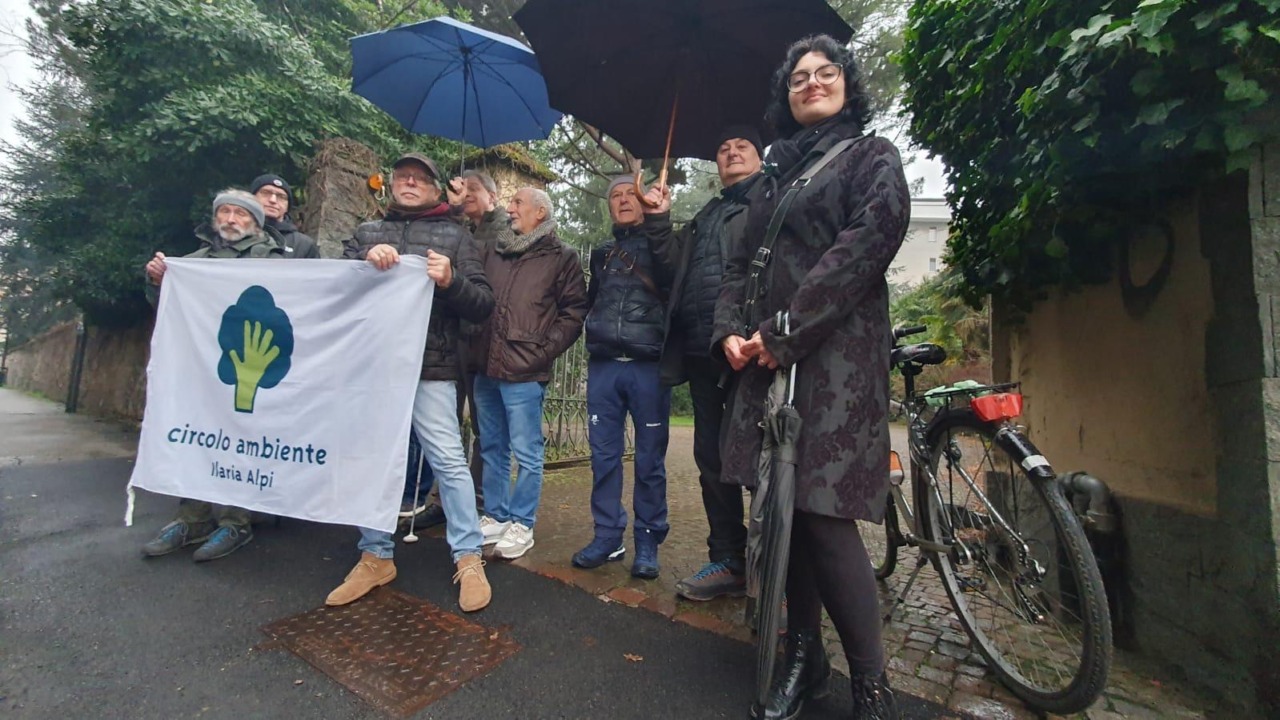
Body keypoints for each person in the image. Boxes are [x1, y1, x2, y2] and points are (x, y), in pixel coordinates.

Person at [713, 36, 909, 719]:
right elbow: (741, 266)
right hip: (765, 361)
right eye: (799, 77)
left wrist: (787, 330)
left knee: (824, 517)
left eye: (827, 73)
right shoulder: (769, 179)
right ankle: (804, 653)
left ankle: (872, 683)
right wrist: (730, 332)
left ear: (848, 86)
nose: (813, 82)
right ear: (786, 95)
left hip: (835, 363)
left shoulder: (871, 157)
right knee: (783, 513)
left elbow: (868, 243)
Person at [331, 152, 495, 613]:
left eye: (419, 178)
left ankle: (468, 555)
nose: (408, 182)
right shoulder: (367, 233)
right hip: (374, 367)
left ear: (435, 189)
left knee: (447, 460)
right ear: (391, 186)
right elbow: (333, 287)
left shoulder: (457, 237)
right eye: (402, 176)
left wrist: (451, 280)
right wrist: (365, 261)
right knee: (373, 459)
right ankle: (375, 555)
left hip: (431, 368)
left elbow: (483, 305)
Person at [650, 126, 766, 602]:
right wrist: (659, 220)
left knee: (762, 461)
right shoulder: (707, 214)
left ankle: (774, 567)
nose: (731, 152)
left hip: (754, 354)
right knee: (711, 460)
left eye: (741, 146)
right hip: (702, 354)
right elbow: (671, 269)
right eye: (723, 149)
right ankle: (728, 560)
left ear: (760, 157)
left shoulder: (772, 201)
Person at [140, 189, 284, 562]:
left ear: (255, 221)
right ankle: (192, 518)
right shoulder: (194, 261)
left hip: (249, 365)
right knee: (199, 437)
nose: (231, 219)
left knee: (243, 437)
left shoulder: (274, 259)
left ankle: (236, 522)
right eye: (225, 212)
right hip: (203, 368)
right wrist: (158, 282)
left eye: (240, 213)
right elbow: (168, 308)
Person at [471, 187, 587, 559]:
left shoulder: (562, 257)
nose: (510, 209)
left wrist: (543, 351)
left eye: (517, 203)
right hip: (486, 362)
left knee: (526, 450)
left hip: (524, 366)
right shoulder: (495, 249)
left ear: (540, 212)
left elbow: (574, 312)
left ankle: (523, 523)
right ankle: (497, 515)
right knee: (491, 446)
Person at [571, 176, 676, 579]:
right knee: (603, 458)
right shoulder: (602, 254)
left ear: (643, 200)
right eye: (614, 196)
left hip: (649, 366)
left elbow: (675, 284)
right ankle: (608, 534)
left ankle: (648, 539)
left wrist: (659, 224)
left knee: (649, 460)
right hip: (604, 366)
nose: (621, 201)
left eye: (629, 194)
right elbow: (592, 299)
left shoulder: (663, 247)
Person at [416, 169, 508, 530]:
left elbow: (483, 272)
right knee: (444, 425)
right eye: (462, 189)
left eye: (474, 190)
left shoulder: (504, 228)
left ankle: (482, 500)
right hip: (452, 339)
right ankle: (441, 499)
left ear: (493, 197)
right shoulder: (456, 226)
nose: (466, 194)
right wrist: (452, 210)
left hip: (487, 338)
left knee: (487, 426)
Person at [249, 174, 321, 258]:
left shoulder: (303, 244)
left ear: (287, 207)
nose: (273, 200)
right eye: (266, 193)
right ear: (251, 198)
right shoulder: (236, 233)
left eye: (281, 197)